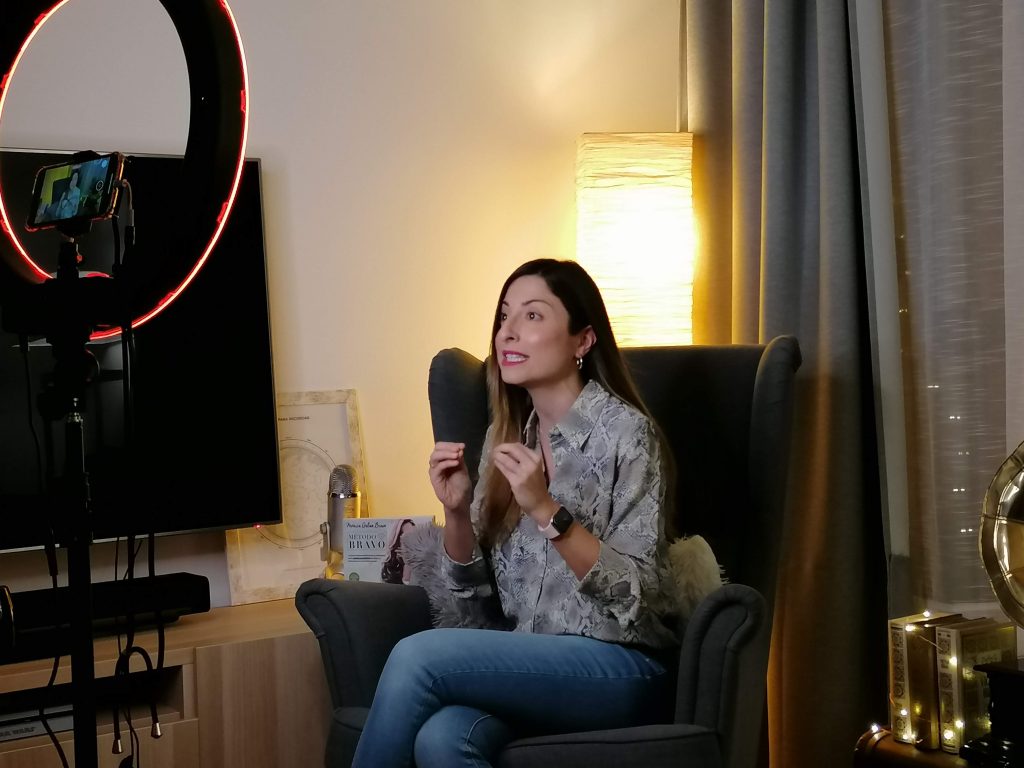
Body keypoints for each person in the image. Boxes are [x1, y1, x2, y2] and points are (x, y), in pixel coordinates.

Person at [351, 258, 680, 768]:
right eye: (505, 315)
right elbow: (475, 609)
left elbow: (642, 599)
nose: (507, 331)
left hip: (620, 665)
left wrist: (547, 510)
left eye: (532, 315)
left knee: (417, 656)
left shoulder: (627, 435)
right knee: (442, 736)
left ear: (582, 340)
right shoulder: (505, 440)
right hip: (531, 666)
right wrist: (456, 513)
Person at [380, 518, 417, 584]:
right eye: (406, 537)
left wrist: (408, 564)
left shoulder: (423, 564)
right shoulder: (388, 569)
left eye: (413, 536)